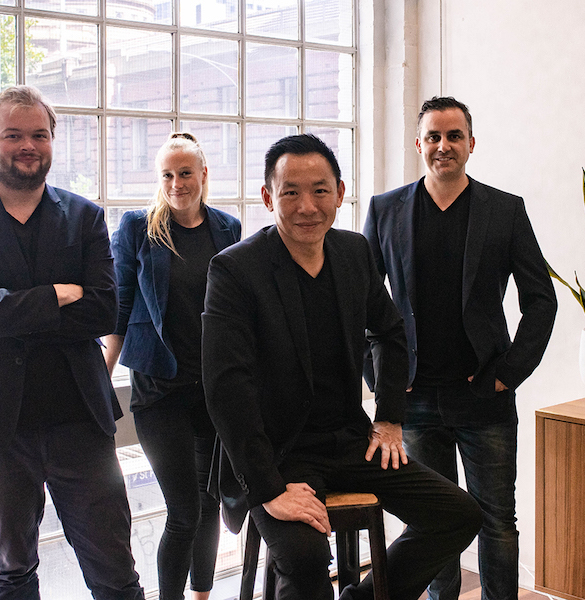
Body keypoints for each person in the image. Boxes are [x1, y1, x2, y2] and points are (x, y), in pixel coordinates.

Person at [202, 133, 482, 600]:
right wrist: (270, 489)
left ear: (340, 193)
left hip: (350, 441)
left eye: (320, 190)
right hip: (278, 453)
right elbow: (225, 388)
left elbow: (389, 332)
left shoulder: (353, 252)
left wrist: (389, 418)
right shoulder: (235, 270)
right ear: (268, 197)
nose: (307, 206)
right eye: (291, 192)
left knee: (459, 514)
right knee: (306, 558)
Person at [0, 85, 145, 600]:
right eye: (13, 135)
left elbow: (102, 311)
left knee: (115, 569)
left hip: (78, 417)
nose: (28, 145)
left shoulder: (86, 217)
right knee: (13, 568)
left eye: (40, 135)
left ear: (52, 141)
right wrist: (57, 294)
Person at [363, 96, 558, 600]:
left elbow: (541, 299)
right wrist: (380, 381)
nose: (443, 146)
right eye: (434, 136)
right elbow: (359, 304)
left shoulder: (505, 210)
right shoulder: (385, 209)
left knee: (497, 520)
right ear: (419, 144)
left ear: (472, 144)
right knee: (435, 522)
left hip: (483, 395)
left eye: (454, 136)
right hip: (414, 399)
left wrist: (508, 372)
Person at [104, 132, 241, 600]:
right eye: (167, 175)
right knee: (184, 511)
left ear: (203, 175)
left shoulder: (227, 228)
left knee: (210, 502)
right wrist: (103, 375)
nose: (176, 183)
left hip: (212, 390)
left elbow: (237, 309)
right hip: (159, 391)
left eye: (185, 173)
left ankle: (201, 595)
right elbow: (121, 304)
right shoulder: (138, 228)